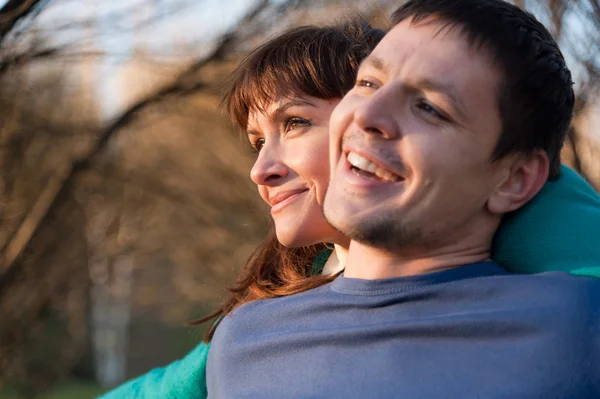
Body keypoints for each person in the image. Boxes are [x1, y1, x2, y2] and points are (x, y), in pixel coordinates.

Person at [207, 1, 600, 398]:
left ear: (514, 181)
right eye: (368, 84)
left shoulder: (579, 331)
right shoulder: (242, 344)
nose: (364, 114)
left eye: (429, 107)